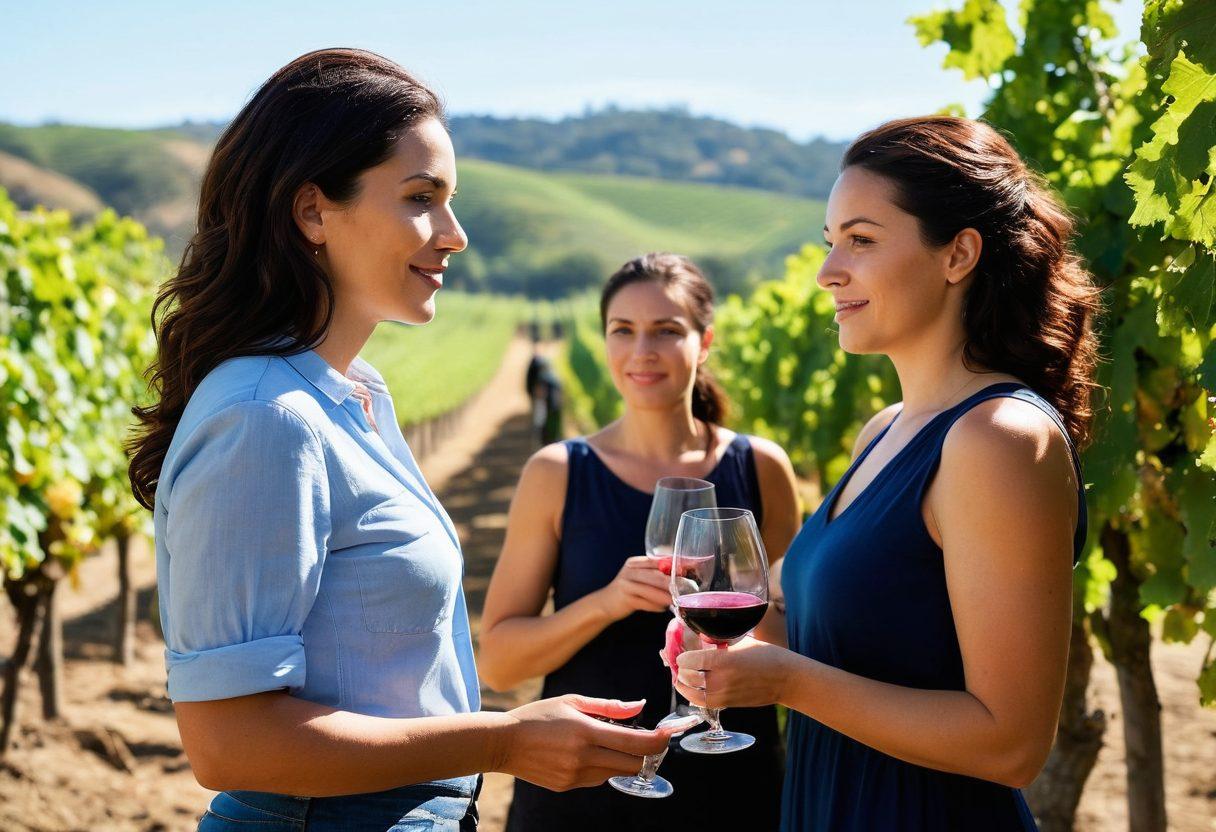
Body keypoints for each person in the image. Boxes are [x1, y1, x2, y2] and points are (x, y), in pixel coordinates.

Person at [126, 48, 670, 832]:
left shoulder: (355, 395)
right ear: (312, 211)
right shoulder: (266, 416)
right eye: (422, 198)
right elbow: (229, 744)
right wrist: (507, 740)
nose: (455, 234)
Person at [671, 116, 1099, 831]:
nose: (828, 270)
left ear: (958, 254)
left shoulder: (998, 439)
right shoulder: (883, 432)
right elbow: (848, 637)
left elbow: (1013, 742)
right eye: (829, 241)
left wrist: (789, 684)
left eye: (861, 241)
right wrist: (736, 652)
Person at [478, 253, 801, 831]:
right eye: (622, 331)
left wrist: (727, 616)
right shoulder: (557, 473)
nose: (642, 350)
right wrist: (609, 602)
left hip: (734, 788)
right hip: (586, 789)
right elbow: (500, 663)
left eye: (666, 331)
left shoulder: (762, 468)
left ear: (704, 343)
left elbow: (797, 635)